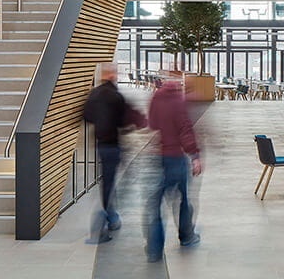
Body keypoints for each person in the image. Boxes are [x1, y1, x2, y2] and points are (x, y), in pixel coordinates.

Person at [82, 63, 144, 243]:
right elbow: (124, 121)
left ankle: (112, 216)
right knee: (115, 182)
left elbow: (86, 116)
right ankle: (108, 218)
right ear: (112, 75)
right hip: (113, 144)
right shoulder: (116, 96)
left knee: (108, 181)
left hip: (100, 144)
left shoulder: (94, 94)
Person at [145, 71, 201, 262]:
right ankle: (186, 237)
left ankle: (154, 249)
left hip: (158, 157)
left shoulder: (155, 98)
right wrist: (194, 155)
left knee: (155, 204)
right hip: (176, 156)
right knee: (183, 199)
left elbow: (152, 124)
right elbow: (185, 129)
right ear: (179, 83)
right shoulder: (179, 101)